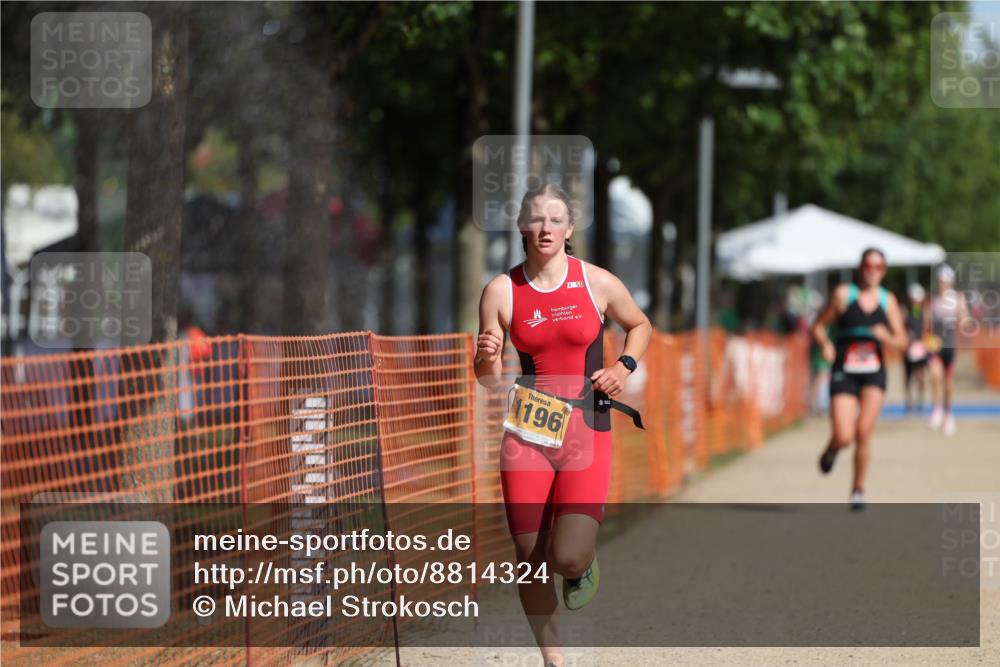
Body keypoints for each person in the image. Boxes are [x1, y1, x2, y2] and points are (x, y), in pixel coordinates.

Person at [475, 183, 651, 666]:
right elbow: (489, 380)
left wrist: (623, 368)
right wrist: (486, 357)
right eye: (536, 218)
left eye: (555, 219)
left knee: (567, 555)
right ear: (522, 228)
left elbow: (640, 325)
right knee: (529, 562)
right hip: (527, 433)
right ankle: (554, 660)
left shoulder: (596, 282)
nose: (545, 227)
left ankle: (583, 564)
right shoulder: (502, 290)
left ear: (569, 229)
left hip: (585, 428)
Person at [811, 248, 907, 511]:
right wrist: (825, 345)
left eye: (878, 267)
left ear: (884, 270)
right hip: (844, 369)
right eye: (868, 265)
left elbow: (902, 341)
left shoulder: (888, 301)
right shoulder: (843, 295)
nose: (872, 271)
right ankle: (832, 450)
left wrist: (886, 336)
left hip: (874, 371)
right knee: (844, 435)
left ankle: (858, 490)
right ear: (860, 267)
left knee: (863, 432)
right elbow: (818, 326)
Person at [926, 265, 969, 436]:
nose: (943, 284)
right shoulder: (933, 300)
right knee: (935, 376)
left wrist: (965, 322)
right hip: (936, 344)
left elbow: (964, 316)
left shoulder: (958, 298)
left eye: (946, 282)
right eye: (941, 282)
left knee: (948, 383)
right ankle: (937, 409)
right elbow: (927, 322)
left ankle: (948, 414)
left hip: (950, 344)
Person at [903, 283, 929, 414]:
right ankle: (909, 403)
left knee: (921, 377)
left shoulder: (923, 312)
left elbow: (926, 328)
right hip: (908, 349)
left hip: (920, 348)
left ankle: (920, 402)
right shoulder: (906, 311)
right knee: (908, 378)